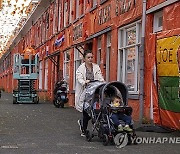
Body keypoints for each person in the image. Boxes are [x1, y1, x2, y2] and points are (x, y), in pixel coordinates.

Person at [75, 49, 104, 136]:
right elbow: (79, 78)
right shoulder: (80, 68)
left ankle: (99, 126)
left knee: (96, 109)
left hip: (95, 91)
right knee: (86, 110)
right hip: (85, 91)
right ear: (84, 59)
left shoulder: (96, 67)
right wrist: (84, 82)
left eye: (91, 57)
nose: (90, 59)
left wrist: (102, 82)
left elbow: (99, 76)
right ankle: (83, 128)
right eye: (88, 57)